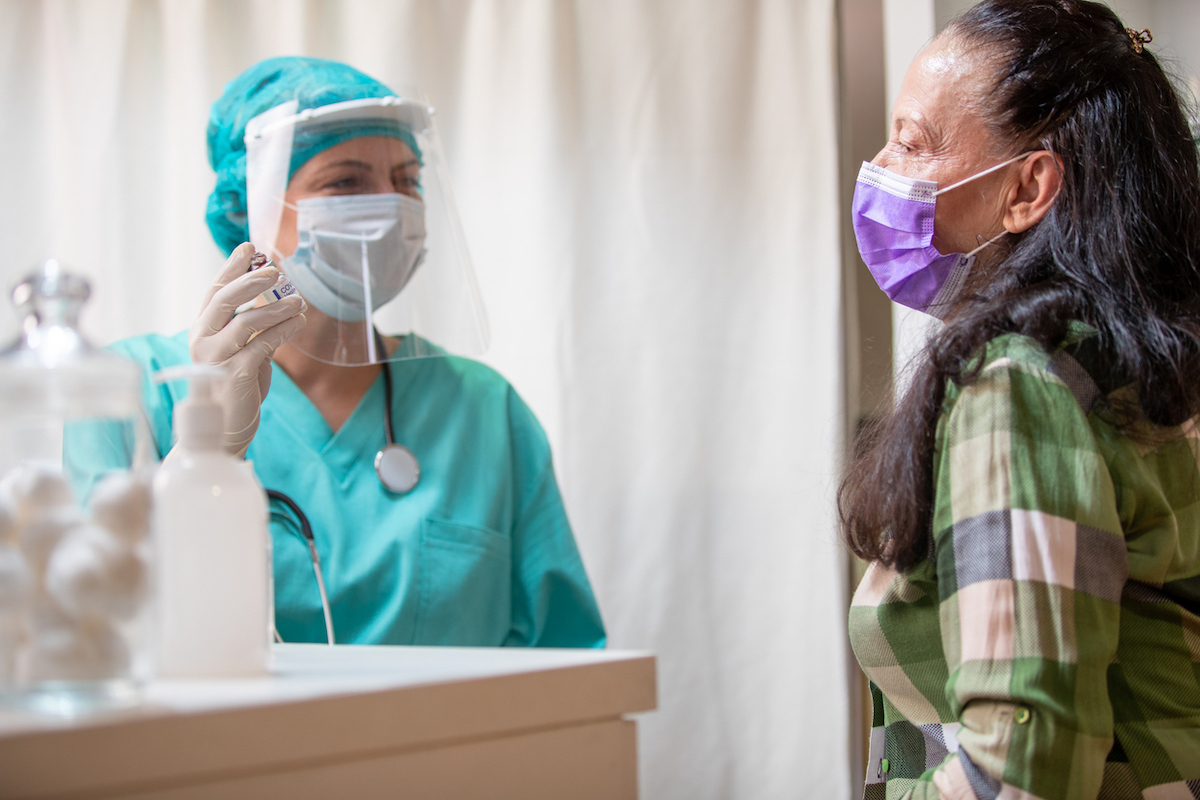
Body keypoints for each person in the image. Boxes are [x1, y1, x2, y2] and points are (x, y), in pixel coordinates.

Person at [101, 57, 605, 648]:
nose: (390, 207)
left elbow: (569, 665)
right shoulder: (127, 390)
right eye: (345, 182)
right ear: (248, 209)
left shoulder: (483, 408)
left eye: (407, 181)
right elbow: (92, 632)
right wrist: (204, 454)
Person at [840, 2, 1200, 798]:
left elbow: (1020, 769)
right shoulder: (1132, 364)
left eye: (913, 140)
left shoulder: (1021, 382)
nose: (881, 166)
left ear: (1028, 186)